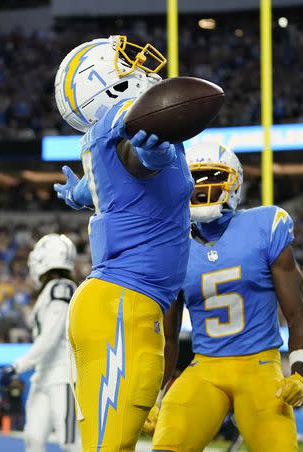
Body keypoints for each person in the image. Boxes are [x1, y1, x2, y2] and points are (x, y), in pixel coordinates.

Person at [52, 35, 194, 451]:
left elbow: (114, 184)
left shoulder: (108, 135)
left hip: (130, 306)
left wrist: (81, 195)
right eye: (125, 62)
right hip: (121, 308)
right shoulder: (127, 123)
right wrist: (152, 156)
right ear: (102, 82)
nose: (138, 68)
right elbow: (135, 155)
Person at [144, 143, 303, 451]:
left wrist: (299, 373)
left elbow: (298, 315)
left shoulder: (264, 226)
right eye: (195, 179)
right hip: (206, 368)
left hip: (260, 364)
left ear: (234, 181)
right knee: (168, 443)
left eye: (212, 176)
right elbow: (167, 339)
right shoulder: (174, 245)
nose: (203, 187)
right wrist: (153, 396)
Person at [2, 234, 80, 452]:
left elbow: (51, 336)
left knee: (70, 442)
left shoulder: (61, 287)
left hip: (62, 374)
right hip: (44, 374)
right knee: (33, 439)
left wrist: (18, 366)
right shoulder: (51, 290)